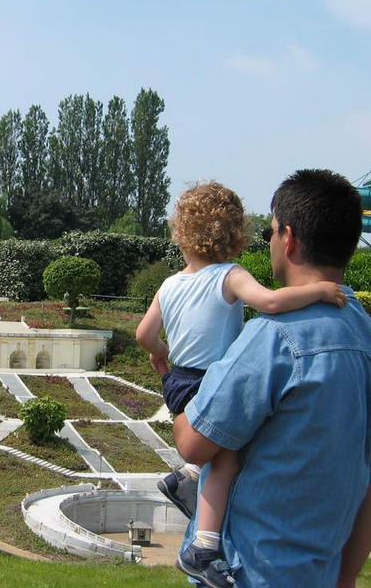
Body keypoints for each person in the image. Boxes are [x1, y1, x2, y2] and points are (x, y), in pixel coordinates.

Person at [172, 170, 371, 587]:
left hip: (250, 573)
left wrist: (178, 377)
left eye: (270, 231)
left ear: (289, 238)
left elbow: (194, 444)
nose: (271, 241)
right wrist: (346, 578)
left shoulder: (275, 336)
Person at [136, 181, 346, 587]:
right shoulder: (229, 276)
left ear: (181, 232)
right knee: (230, 459)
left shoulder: (169, 285)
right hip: (214, 383)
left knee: (226, 447)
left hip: (179, 380)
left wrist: (161, 354)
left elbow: (144, 334)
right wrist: (316, 290)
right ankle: (204, 545)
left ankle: (186, 478)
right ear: (234, 234)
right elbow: (269, 302)